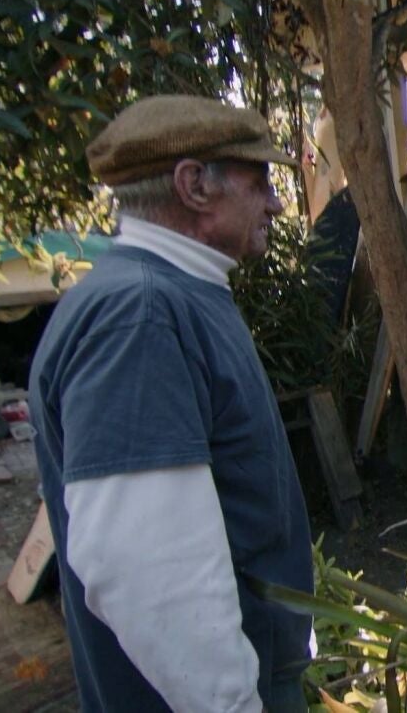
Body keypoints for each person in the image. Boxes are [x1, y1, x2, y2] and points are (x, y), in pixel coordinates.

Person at [29, 95, 313, 712]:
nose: (275, 202)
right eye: (259, 180)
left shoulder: (173, 292)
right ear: (194, 185)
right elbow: (151, 575)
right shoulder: (140, 315)